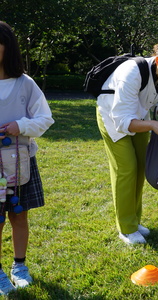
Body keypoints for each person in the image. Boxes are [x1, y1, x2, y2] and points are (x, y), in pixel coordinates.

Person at [96, 35, 158, 244]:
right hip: (112, 117)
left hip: (140, 117)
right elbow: (122, 121)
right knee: (126, 169)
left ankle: (134, 220)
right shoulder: (131, 72)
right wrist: (153, 125)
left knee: (141, 167)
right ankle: (126, 228)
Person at [0, 21, 54, 294]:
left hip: (19, 164)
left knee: (19, 216)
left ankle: (19, 265)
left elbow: (45, 119)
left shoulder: (25, 83)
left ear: (7, 46)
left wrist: (19, 126)